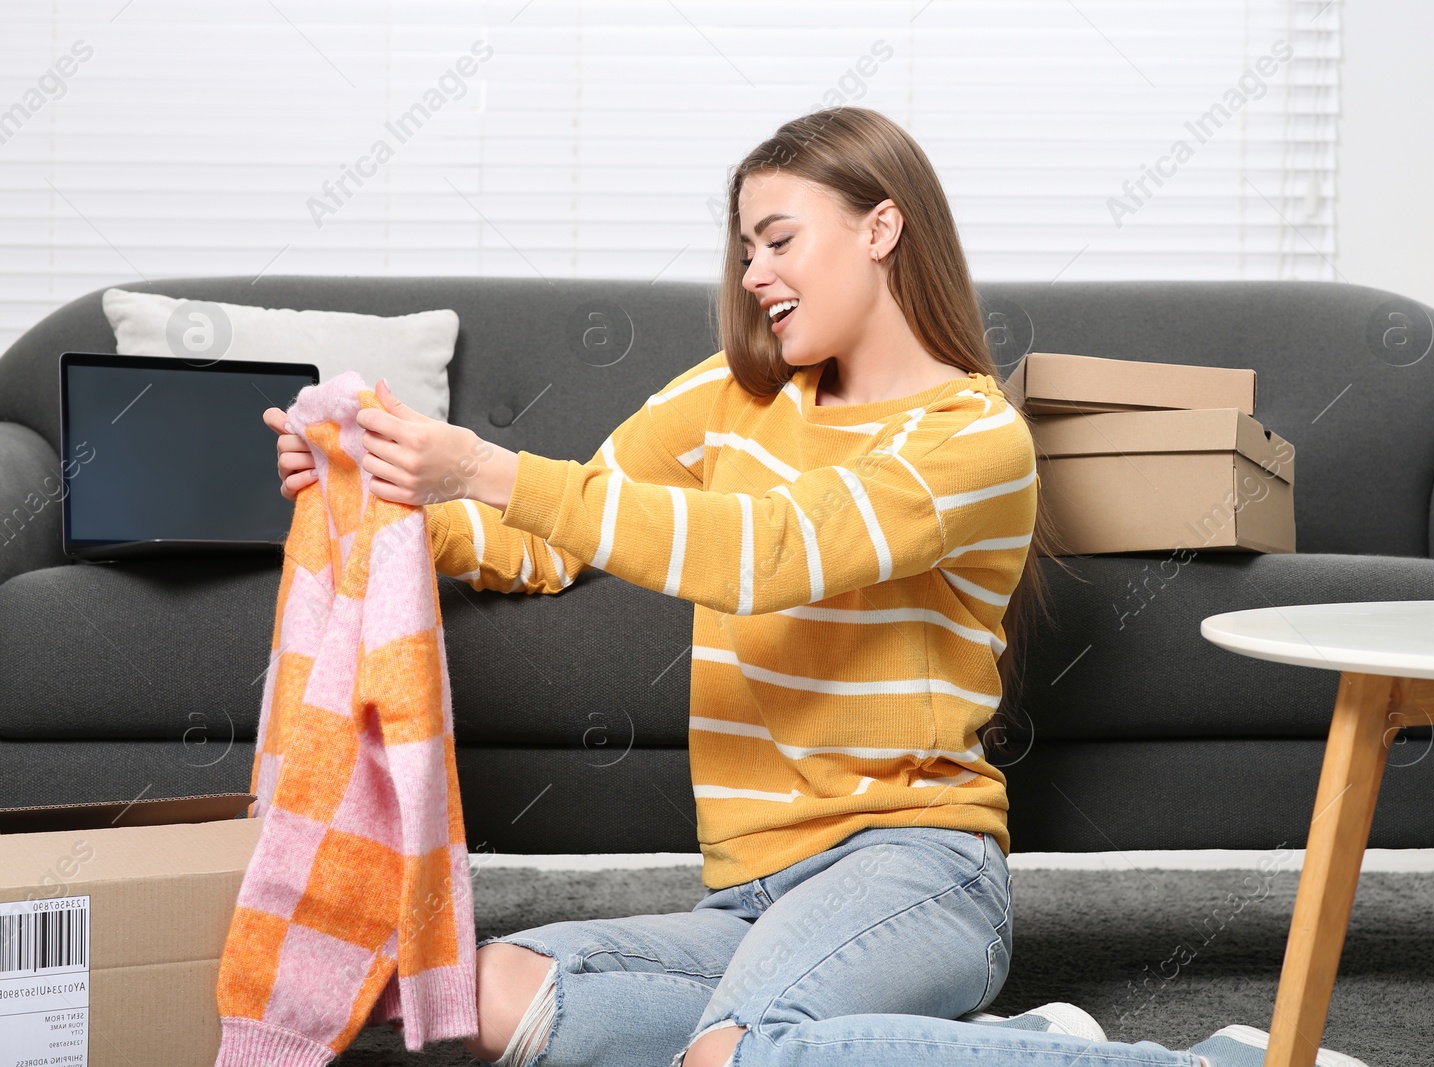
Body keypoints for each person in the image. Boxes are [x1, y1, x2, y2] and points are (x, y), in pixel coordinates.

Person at [265, 107, 1367, 1067]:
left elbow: (772, 550)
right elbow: (552, 537)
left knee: (740, 1052)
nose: (753, 274)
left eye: (779, 238)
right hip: (751, 891)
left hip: (916, 868)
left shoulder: (974, 438)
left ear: (880, 227)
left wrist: (486, 463)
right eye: (745, 248)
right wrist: (386, 502)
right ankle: (990, 1048)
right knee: (468, 993)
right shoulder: (734, 395)